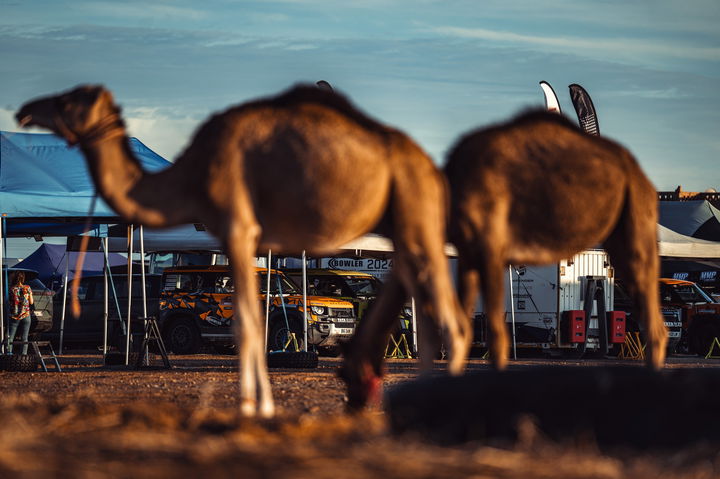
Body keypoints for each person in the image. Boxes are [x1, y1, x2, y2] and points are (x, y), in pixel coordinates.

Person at [7, 271, 33, 355]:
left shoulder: (12, 289)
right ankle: (23, 356)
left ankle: (9, 353)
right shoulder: (27, 288)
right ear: (23, 278)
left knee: (10, 337)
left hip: (14, 315)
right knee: (24, 338)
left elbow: (8, 301)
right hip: (25, 314)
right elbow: (31, 302)